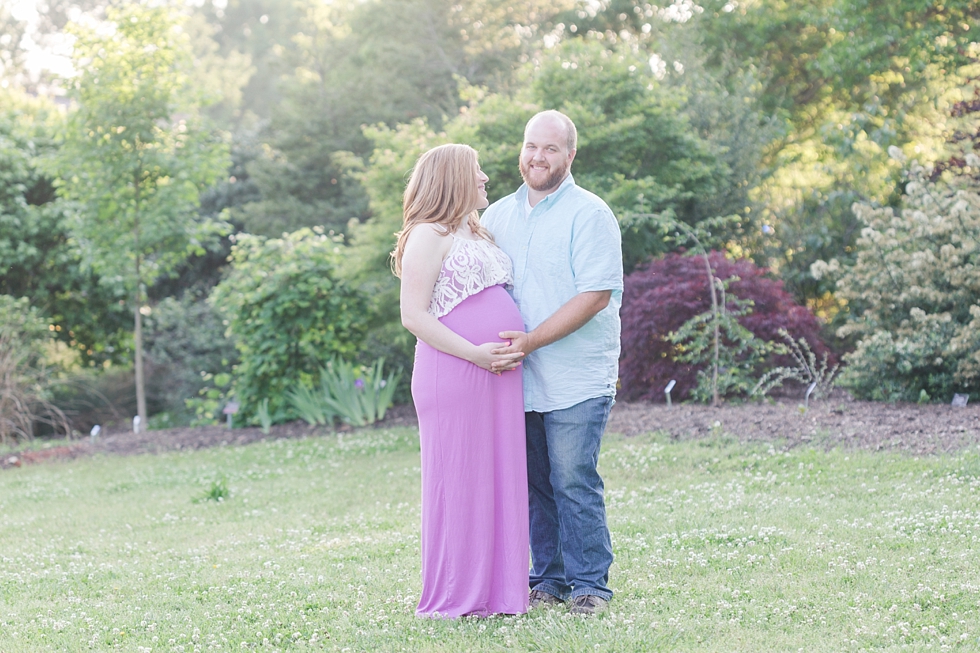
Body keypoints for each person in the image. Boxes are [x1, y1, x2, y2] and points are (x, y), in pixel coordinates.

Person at [481, 110, 623, 616]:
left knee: (572, 478)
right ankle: (549, 577)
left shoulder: (590, 214)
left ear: (570, 155)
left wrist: (529, 341)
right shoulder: (496, 215)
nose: (537, 157)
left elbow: (595, 297)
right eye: (530, 146)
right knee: (535, 481)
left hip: (577, 375)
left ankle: (590, 585)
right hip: (517, 378)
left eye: (550, 149)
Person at [393, 143, 529, 618]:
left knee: (497, 477)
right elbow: (413, 315)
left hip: (498, 374)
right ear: (453, 179)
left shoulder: (475, 231)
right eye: (477, 172)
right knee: (460, 480)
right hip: (454, 371)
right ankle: (456, 593)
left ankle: (500, 592)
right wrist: (475, 353)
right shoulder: (427, 234)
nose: (487, 178)